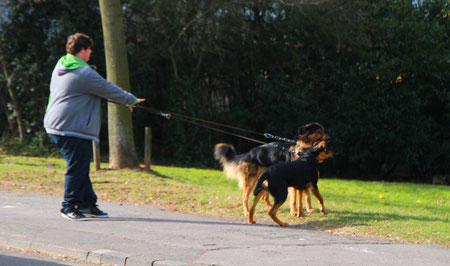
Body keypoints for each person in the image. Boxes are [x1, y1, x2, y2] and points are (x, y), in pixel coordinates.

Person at [44, 33, 145, 221]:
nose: (91, 52)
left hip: (58, 125)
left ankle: (87, 204)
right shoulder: (83, 73)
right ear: (81, 50)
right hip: (69, 127)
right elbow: (106, 88)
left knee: (81, 165)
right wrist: (130, 100)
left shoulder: (62, 65)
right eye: (88, 48)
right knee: (77, 167)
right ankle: (69, 206)